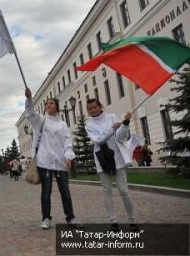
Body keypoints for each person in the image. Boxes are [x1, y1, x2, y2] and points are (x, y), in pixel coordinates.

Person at [24, 88, 83, 229]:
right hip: (45, 162)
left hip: (60, 163)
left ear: (56, 106)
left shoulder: (63, 125)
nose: (49, 105)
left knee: (65, 192)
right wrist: (29, 99)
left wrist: (68, 156)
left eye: (51, 103)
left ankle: (70, 217)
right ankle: (46, 218)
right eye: (47, 104)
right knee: (46, 192)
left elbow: (67, 142)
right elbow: (30, 113)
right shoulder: (41, 121)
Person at [85, 98, 137, 231]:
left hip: (117, 159)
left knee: (124, 191)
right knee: (107, 192)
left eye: (94, 107)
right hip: (102, 160)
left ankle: (132, 221)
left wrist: (125, 123)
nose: (93, 110)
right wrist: (112, 129)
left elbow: (121, 137)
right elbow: (98, 140)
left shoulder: (112, 117)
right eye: (90, 108)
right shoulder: (89, 125)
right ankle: (113, 222)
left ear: (100, 106)